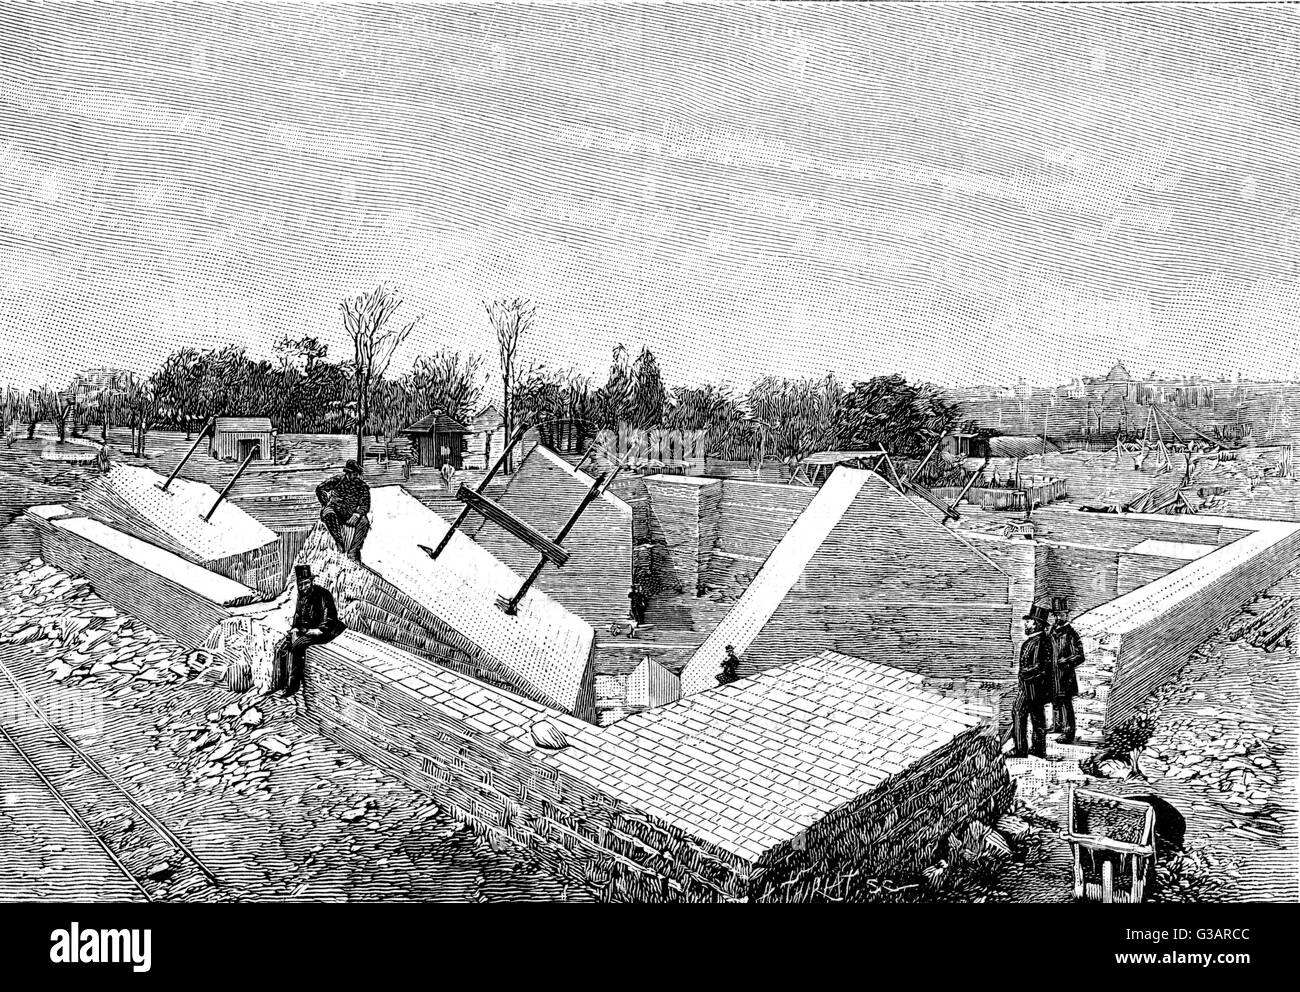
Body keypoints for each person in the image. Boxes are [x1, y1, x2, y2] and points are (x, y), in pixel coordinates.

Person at [276, 564, 347, 697]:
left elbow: (330, 619)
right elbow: (298, 616)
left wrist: (317, 631)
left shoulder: (323, 595)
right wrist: (295, 629)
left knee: (297, 647)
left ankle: (292, 687)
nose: (303, 587)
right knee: (283, 647)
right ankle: (281, 682)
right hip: (307, 630)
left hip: (325, 631)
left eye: (306, 583)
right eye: (300, 584)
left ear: (311, 582)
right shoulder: (301, 595)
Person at [1010, 605, 1052, 758]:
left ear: (1037, 623)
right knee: (1037, 717)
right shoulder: (1033, 641)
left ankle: (1021, 750)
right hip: (1032, 687)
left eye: (1029, 622)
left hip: (1032, 687)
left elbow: (1041, 667)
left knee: (1018, 712)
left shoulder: (1041, 642)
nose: (1026, 624)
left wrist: (1023, 674)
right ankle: (1038, 749)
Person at [316, 458, 371, 561]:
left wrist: (357, 514)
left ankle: (353, 551)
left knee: (364, 522)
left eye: (356, 474)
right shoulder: (337, 480)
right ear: (347, 473)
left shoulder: (362, 486)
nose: (354, 476)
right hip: (335, 509)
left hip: (350, 513)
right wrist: (325, 502)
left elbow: (365, 505)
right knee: (328, 514)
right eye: (352, 473)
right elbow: (320, 488)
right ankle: (339, 542)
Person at [1047, 596, 1084, 744]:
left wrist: (1066, 661)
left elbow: (1080, 656)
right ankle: (1057, 726)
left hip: (1065, 675)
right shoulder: (1051, 631)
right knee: (1055, 701)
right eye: (1055, 614)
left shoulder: (1071, 634)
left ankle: (1068, 733)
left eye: (1060, 614)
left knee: (1065, 704)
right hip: (1052, 674)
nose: (1057, 617)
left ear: (1066, 615)